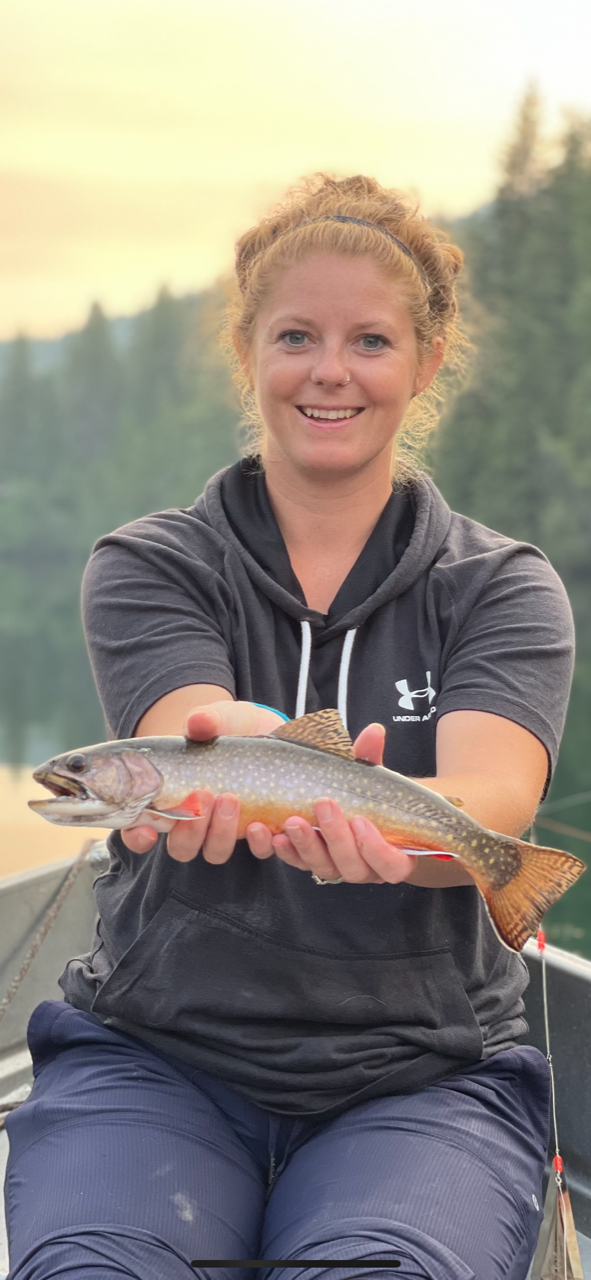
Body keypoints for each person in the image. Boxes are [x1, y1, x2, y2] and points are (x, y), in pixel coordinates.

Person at [5, 175, 575, 1280]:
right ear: (249, 350)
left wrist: (397, 848)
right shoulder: (149, 564)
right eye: (297, 336)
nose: (330, 370)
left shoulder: (505, 586)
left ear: (425, 359)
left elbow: (494, 806)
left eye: (369, 339)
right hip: (156, 1055)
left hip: (426, 1072)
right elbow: (197, 729)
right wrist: (256, 734)